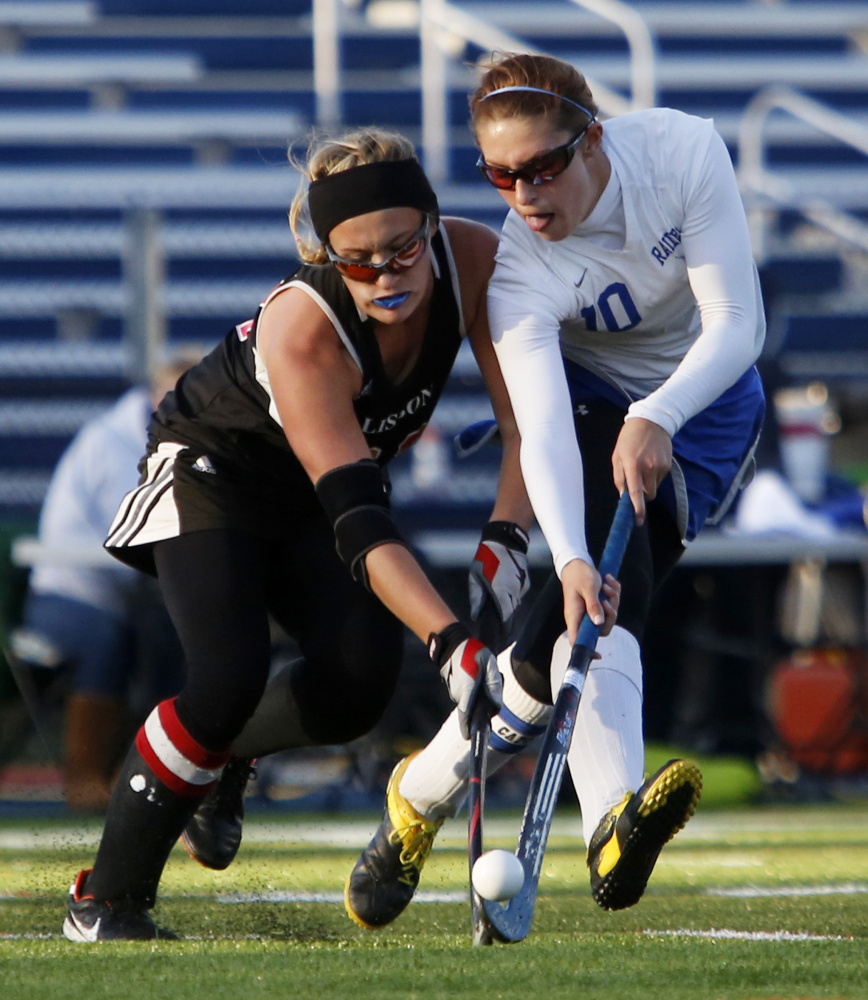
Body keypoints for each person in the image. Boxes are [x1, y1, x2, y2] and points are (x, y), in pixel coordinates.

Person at [61, 127, 544, 942]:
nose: (386, 276)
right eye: (358, 261)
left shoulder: (476, 262)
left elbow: (527, 426)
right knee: (226, 677)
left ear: (432, 224)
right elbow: (359, 521)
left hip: (312, 496)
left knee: (359, 683)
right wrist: (454, 644)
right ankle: (104, 900)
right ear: (326, 255)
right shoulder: (305, 329)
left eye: (403, 250)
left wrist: (507, 540)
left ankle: (226, 761)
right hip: (217, 471)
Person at [343, 51, 766, 929]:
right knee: (605, 583)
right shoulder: (519, 271)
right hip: (590, 402)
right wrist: (568, 555)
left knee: (542, 654)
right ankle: (613, 821)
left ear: (593, 140)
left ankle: (418, 795)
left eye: (542, 167)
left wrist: (661, 413)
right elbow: (538, 430)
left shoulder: (681, 152)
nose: (526, 195)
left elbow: (738, 324)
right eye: (500, 175)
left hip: (707, 405)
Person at [10, 360, 191, 812]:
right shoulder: (113, 444)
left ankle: (148, 776)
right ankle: (85, 778)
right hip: (65, 596)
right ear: (155, 395)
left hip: (126, 599)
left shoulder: (169, 440)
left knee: (172, 641)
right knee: (104, 642)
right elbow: (136, 534)